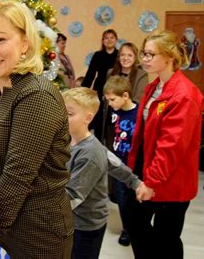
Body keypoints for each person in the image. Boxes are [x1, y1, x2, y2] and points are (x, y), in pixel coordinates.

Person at [0, 0, 73, 258]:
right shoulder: (4, 90)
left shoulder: (35, 95)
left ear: (24, 43)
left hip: (35, 235)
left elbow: (16, 177)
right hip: (8, 226)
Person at [125, 30, 204, 259]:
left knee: (166, 237)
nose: (144, 59)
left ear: (169, 57)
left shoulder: (184, 95)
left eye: (151, 54)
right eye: (144, 53)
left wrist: (151, 182)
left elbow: (172, 146)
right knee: (134, 220)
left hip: (171, 180)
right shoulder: (155, 86)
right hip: (149, 169)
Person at [62, 87, 152, 259]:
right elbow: (114, 163)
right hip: (73, 220)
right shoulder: (69, 139)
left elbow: (73, 197)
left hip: (85, 225)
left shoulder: (90, 153)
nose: (62, 117)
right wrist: (135, 182)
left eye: (70, 113)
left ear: (88, 118)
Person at [103, 76, 140, 247]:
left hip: (134, 165)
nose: (110, 103)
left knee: (134, 199)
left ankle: (135, 228)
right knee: (122, 199)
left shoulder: (138, 113)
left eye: (112, 99)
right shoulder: (114, 111)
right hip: (118, 164)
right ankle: (127, 229)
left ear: (125, 96)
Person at [82, 29, 119, 140]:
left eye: (112, 37)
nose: (109, 40)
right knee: (98, 119)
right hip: (99, 89)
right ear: (102, 41)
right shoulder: (98, 55)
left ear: (116, 40)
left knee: (112, 119)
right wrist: (83, 91)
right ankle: (98, 142)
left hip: (115, 89)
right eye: (106, 38)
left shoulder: (119, 56)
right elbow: (90, 74)